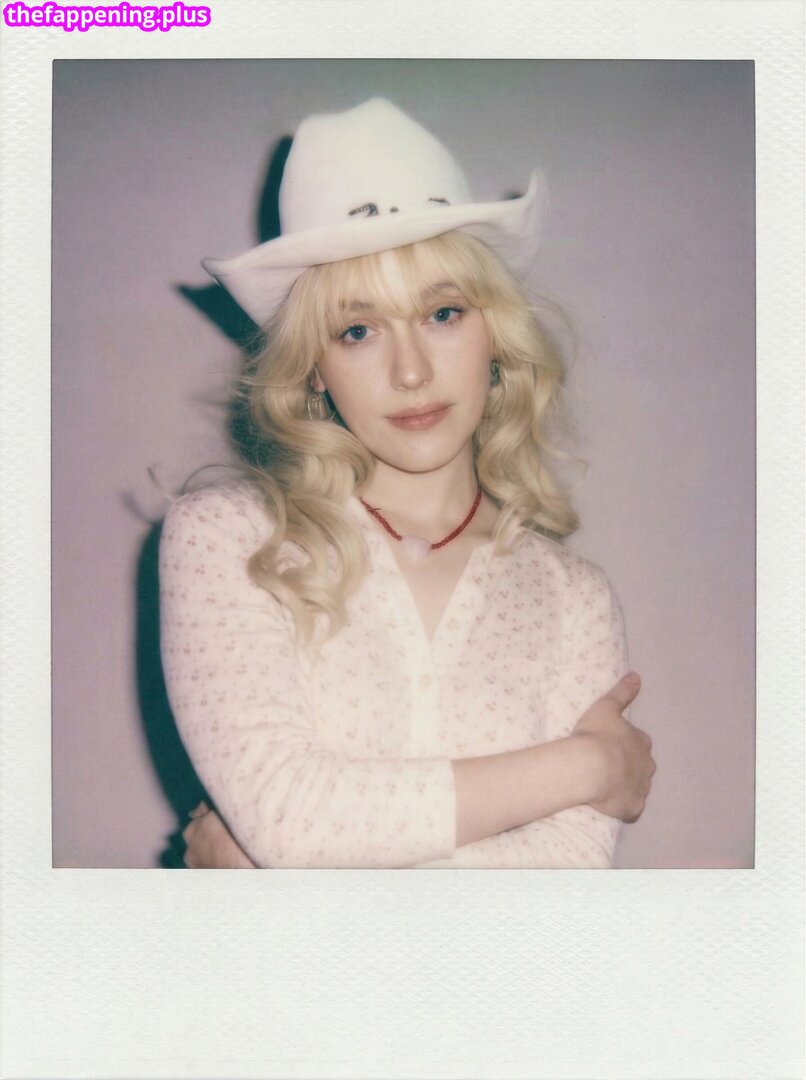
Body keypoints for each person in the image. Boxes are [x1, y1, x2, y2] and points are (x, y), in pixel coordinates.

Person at [161, 98, 655, 870]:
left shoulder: (572, 599)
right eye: (358, 331)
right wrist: (588, 766)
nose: (412, 371)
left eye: (443, 314)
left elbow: (565, 881)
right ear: (314, 368)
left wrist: (286, 869)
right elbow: (291, 821)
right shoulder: (227, 538)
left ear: (496, 336)